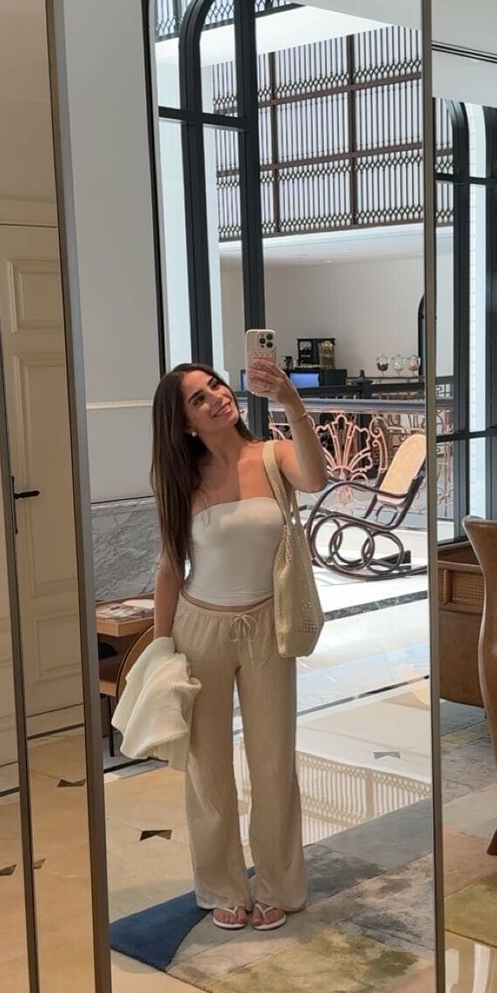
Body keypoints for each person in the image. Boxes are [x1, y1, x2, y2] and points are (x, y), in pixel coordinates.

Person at [150, 357, 327, 930]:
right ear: (184, 422)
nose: (216, 398)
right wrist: (161, 649)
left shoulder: (272, 456)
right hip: (199, 630)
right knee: (208, 770)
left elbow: (316, 478)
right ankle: (223, 888)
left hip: (268, 628)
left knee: (274, 762)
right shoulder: (182, 480)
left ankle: (278, 885)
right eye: (198, 399)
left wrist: (290, 403)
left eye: (216, 386)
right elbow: (169, 569)